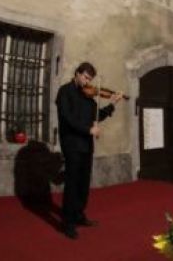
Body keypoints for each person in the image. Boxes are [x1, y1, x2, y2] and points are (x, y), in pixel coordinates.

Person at [56, 62, 123, 239]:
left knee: (83, 183)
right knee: (72, 183)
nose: (87, 82)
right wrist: (88, 130)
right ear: (77, 74)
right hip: (72, 144)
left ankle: (78, 214)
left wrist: (112, 104)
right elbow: (67, 118)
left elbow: (96, 116)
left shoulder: (88, 96)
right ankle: (67, 222)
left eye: (90, 79)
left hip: (86, 145)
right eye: (85, 77)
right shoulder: (65, 92)